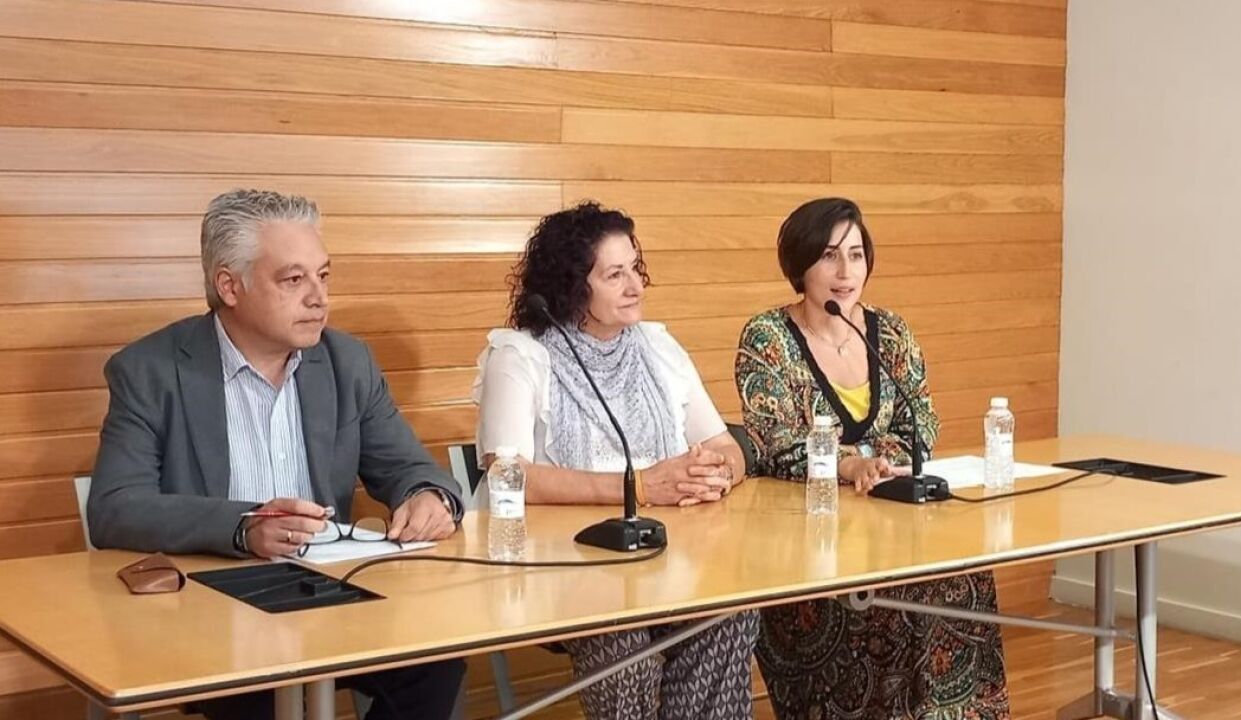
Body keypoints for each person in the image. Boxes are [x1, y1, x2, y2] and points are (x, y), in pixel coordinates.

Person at [88, 189, 466, 720]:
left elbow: (408, 466)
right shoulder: (151, 370)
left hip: (331, 595)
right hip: (213, 608)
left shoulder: (347, 362)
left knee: (436, 661)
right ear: (230, 286)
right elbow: (114, 508)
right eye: (293, 280)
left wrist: (430, 496)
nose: (318, 298)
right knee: (257, 691)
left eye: (323, 276)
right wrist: (244, 527)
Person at [473, 201, 760, 719]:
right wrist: (641, 487)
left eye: (635, 268)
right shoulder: (521, 355)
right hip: (566, 568)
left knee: (731, 612)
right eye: (614, 275)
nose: (636, 286)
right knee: (621, 637)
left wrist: (714, 475)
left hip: (670, 557)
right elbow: (507, 476)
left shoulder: (657, 346)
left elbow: (727, 446)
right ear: (571, 285)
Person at [735, 197, 1010, 719]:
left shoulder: (891, 332)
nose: (846, 273)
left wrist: (876, 465)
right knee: (885, 605)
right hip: (810, 539)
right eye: (829, 256)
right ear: (801, 264)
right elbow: (773, 441)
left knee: (964, 575)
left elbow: (921, 422)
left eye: (856, 255)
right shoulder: (767, 337)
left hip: (895, 524)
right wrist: (849, 465)